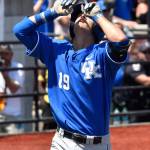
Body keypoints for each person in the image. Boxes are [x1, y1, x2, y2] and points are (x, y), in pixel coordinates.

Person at [13, 0, 130, 149]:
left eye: (87, 16)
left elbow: (121, 41)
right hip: (63, 141)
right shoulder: (56, 49)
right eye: (77, 15)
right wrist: (52, 12)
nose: (82, 16)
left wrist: (98, 15)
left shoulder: (102, 54)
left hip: (97, 143)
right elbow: (19, 30)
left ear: (96, 28)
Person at [0, 45, 25, 133]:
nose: (2, 57)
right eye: (1, 54)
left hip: (14, 116)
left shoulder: (18, 67)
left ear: (11, 54)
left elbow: (14, 89)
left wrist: (4, 74)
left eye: (5, 54)